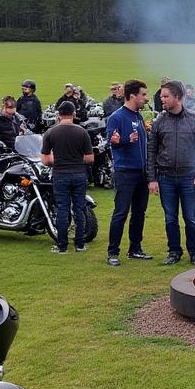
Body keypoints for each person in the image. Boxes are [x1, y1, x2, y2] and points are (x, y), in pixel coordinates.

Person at [147, 80, 195, 266]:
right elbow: (151, 151)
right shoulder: (158, 122)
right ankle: (174, 251)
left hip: (189, 176)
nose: (162, 99)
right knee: (170, 218)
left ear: (177, 97)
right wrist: (152, 179)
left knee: (190, 218)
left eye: (165, 96)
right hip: (165, 178)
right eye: (161, 96)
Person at [106, 79, 154, 266]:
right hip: (125, 172)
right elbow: (111, 140)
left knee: (139, 212)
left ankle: (135, 248)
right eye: (143, 94)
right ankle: (112, 252)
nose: (145, 98)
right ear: (132, 95)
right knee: (121, 212)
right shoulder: (117, 117)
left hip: (142, 172)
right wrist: (126, 139)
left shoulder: (138, 116)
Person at [41, 101, 94, 253]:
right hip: (79, 174)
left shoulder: (51, 133)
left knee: (62, 210)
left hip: (60, 174)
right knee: (79, 209)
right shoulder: (82, 132)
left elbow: (45, 160)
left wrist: (58, 160)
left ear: (58, 115)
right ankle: (80, 244)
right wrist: (77, 159)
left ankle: (62, 246)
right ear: (74, 114)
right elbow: (90, 159)